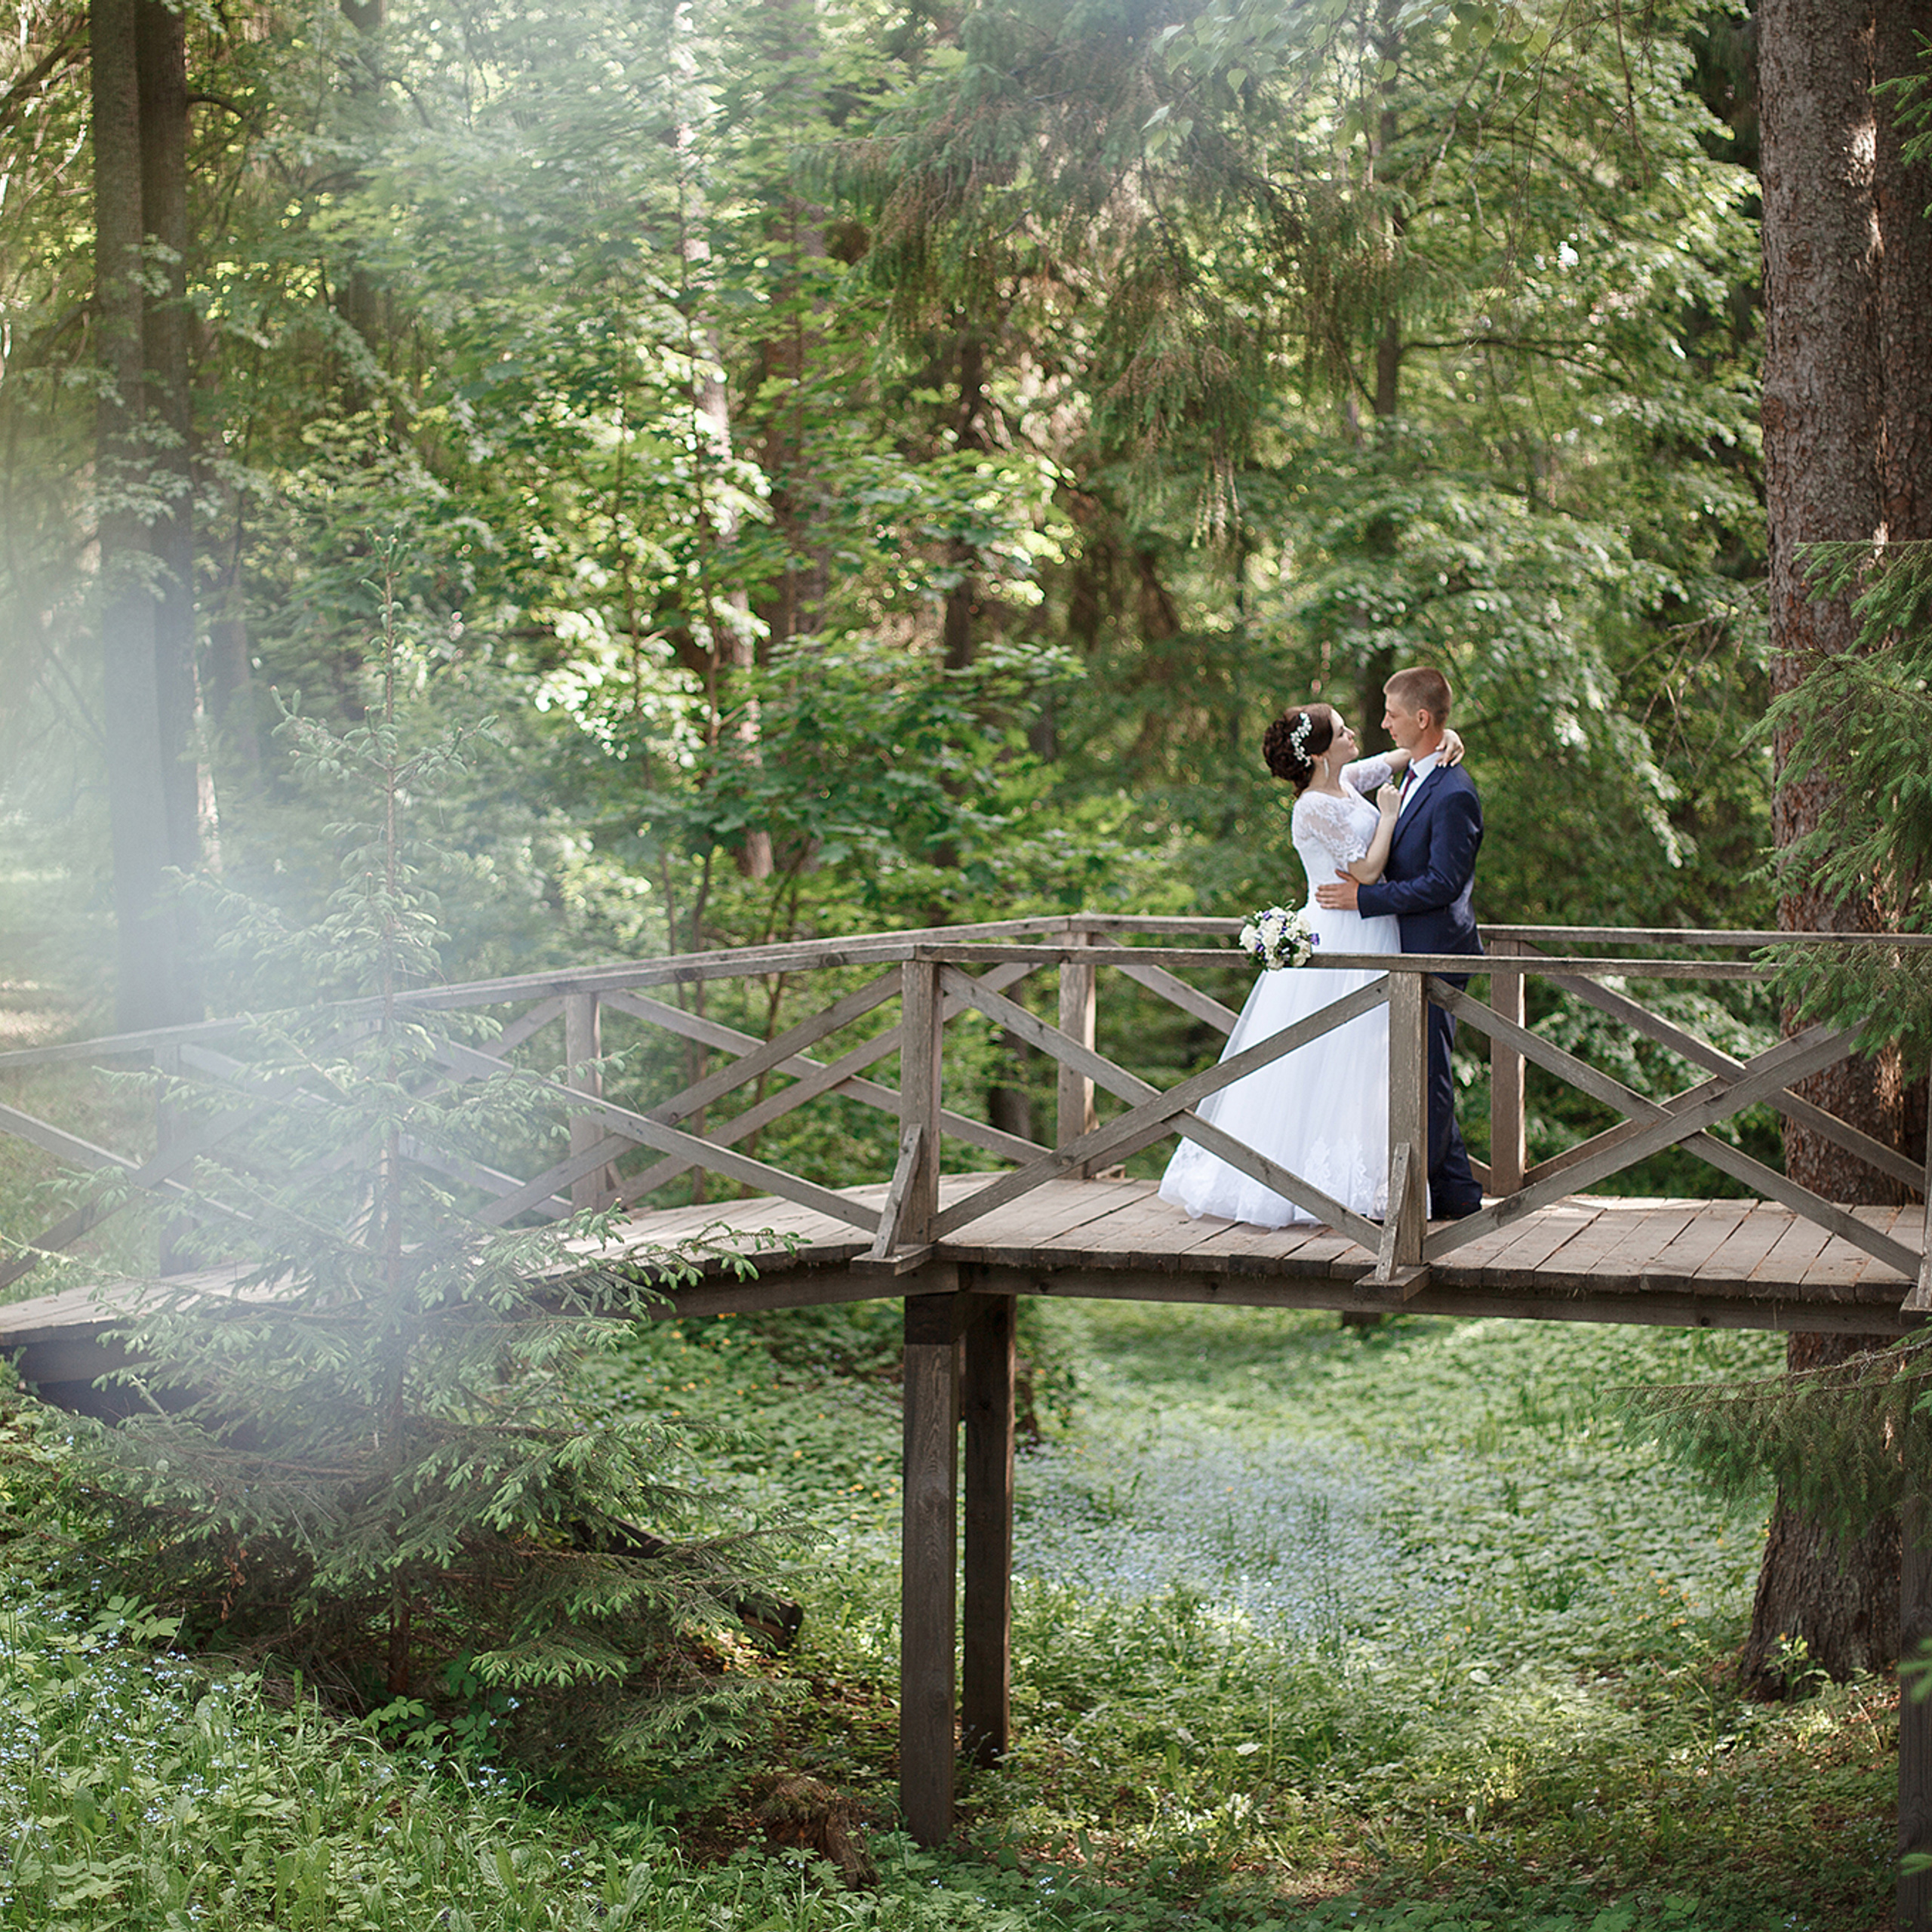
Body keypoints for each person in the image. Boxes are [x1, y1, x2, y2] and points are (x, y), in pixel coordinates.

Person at [1158, 702, 1462, 1229]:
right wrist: (1388, 817)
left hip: (1373, 932)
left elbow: (1400, 754)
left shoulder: (1348, 779)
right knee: (1324, 1055)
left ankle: (1366, 1182)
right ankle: (1297, 1185)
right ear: (1320, 754)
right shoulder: (1312, 808)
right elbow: (1366, 871)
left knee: (1369, 1060)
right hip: (1340, 932)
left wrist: (1445, 736)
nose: (1355, 734)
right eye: (1344, 731)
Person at [1315, 666, 1484, 1220]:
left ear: (1422, 718)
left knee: (1427, 1074)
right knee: (1418, 1070)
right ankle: (1457, 1194)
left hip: (1435, 949)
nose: (1382, 723)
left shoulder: (1456, 792)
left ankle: (1414, 1199)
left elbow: (1443, 884)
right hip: (1403, 948)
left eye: (1392, 714)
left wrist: (1365, 902)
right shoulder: (1414, 769)